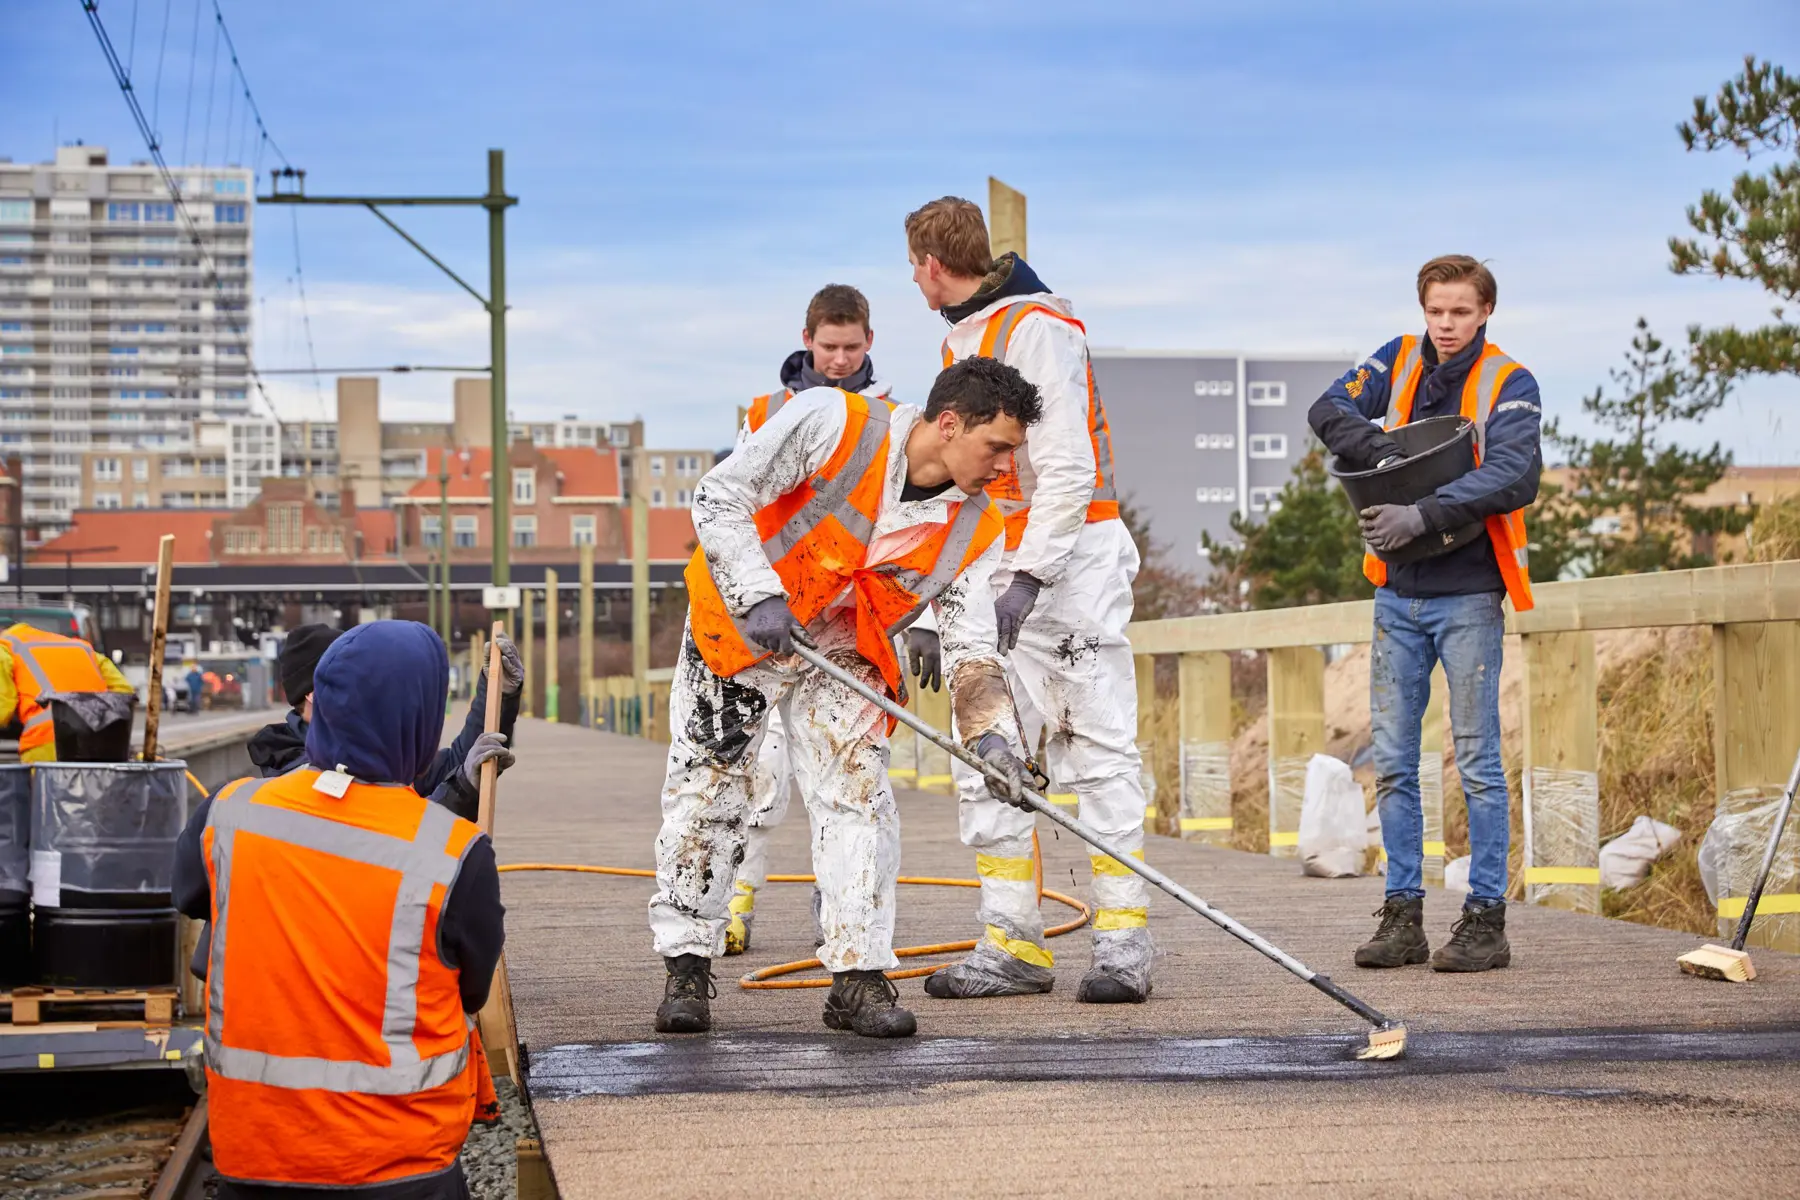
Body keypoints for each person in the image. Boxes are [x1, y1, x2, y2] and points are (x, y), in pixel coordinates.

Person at [650, 356, 1042, 1038]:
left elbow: (972, 651)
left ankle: (858, 979)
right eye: (998, 447)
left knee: (860, 800)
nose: (1006, 468)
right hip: (740, 626)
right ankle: (686, 968)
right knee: (711, 791)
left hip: (843, 646)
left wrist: (995, 739)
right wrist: (757, 590)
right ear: (950, 424)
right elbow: (719, 496)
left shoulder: (978, 529)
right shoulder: (835, 423)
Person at [904, 196, 1152, 1004]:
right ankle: (1013, 939)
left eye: (914, 266)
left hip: (1067, 561)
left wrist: (1033, 574)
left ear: (933, 266)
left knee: (1097, 745)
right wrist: (935, 604)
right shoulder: (963, 339)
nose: (915, 279)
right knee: (990, 747)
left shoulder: (1038, 328)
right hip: (992, 561)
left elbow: (1069, 469)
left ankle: (1122, 943)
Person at [172, 621, 505, 1198]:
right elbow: (472, 991)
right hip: (402, 1164)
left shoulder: (227, 816)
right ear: (420, 722)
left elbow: (190, 898)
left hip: (257, 1158)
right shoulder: (454, 852)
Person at [1307, 253, 1541, 974]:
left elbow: (1515, 472)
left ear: (1485, 311)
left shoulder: (1510, 382)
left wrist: (1424, 511)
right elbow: (1328, 410)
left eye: (1461, 312)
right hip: (1397, 596)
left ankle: (1485, 921)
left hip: (1469, 591)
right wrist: (1381, 456)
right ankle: (1402, 916)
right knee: (1397, 762)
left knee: (1476, 761)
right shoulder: (1398, 359)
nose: (1446, 325)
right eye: (1436, 310)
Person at [723, 283, 943, 956]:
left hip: (849, 625)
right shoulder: (765, 413)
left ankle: (842, 918)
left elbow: (920, 522)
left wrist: (925, 620)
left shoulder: (900, 421)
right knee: (756, 769)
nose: (841, 359)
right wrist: (751, 596)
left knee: (849, 780)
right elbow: (734, 507)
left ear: (870, 343)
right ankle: (735, 904)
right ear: (807, 340)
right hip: (773, 617)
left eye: (853, 347)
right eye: (829, 346)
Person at [247, 623, 521, 821]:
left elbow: (456, 765)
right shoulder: (296, 771)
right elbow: (383, 840)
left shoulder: (366, 746)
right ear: (314, 694)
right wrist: (461, 791)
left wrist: (498, 693)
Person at [0, 622, 136, 762]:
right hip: (104, 741)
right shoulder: (80, 647)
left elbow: (3, 707)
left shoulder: (4, 647)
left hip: (49, 741)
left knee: (48, 784)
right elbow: (124, 692)